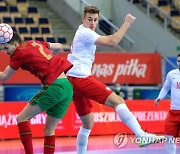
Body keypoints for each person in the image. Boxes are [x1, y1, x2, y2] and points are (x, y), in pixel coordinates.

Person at [66, 6, 165, 154]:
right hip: (80, 78)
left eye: (95, 20)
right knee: (119, 102)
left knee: (87, 123)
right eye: (89, 19)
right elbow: (112, 42)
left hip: (72, 79)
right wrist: (127, 23)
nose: (92, 23)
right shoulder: (85, 33)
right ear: (83, 19)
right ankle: (141, 136)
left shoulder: (84, 31)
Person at [0, 32, 73, 154]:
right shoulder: (33, 42)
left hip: (55, 87)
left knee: (21, 118)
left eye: (6, 48)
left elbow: (4, 76)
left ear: (16, 44)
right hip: (67, 87)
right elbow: (59, 46)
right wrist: (48, 62)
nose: (5, 52)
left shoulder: (18, 53)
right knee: (49, 130)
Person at [155, 54, 180, 154]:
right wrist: (159, 97)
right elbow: (166, 87)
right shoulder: (172, 74)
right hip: (173, 112)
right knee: (168, 137)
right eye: (178, 61)